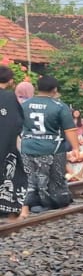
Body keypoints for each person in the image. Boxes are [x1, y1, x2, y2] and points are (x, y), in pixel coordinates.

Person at [18, 75, 82, 215]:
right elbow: (69, 129)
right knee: (54, 178)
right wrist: (76, 148)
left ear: (36, 88)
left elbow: (18, 126)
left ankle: (31, 203)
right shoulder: (59, 106)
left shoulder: (25, 105)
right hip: (52, 148)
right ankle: (53, 202)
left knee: (31, 178)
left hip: (28, 147)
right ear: (55, 89)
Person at [0, 68, 22, 219]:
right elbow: (18, 122)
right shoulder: (9, 97)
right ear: (10, 81)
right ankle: (7, 206)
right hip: (6, 143)